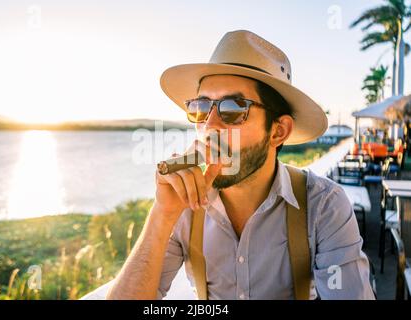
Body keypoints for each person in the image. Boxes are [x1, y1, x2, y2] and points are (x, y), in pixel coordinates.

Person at [106, 30, 375, 300]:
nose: (209, 126)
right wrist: (161, 216)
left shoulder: (323, 206)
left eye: (233, 109)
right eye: (201, 107)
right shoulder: (184, 207)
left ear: (278, 131)